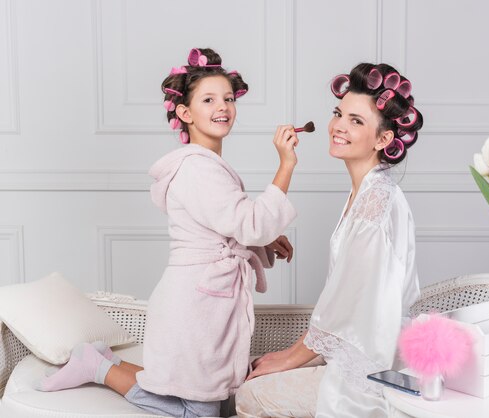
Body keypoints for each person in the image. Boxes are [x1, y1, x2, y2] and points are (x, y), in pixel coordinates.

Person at [37, 47, 299, 418]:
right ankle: (98, 368)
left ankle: (97, 358)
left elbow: (227, 223)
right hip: (196, 306)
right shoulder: (197, 169)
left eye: (227, 98)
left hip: (201, 300)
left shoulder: (207, 166)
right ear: (185, 113)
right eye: (208, 99)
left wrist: (265, 239)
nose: (222, 106)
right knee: (199, 410)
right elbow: (249, 222)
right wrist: (285, 166)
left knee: (196, 391)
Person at [235, 62, 423, 418]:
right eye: (339, 113)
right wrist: (290, 357)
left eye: (357, 121)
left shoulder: (377, 202)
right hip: (355, 352)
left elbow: (347, 303)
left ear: (383, 139)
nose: (338, 126)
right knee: (251, 376)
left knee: (249, 395)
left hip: (369, 372)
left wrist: (290, 358)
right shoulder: (368, 191)